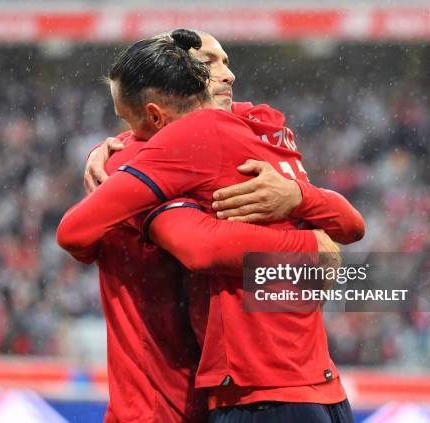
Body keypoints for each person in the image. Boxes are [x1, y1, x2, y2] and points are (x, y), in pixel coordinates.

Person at [58, 30, 361, 422]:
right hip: (176, 404)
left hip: (247, 395)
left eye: (226, 61)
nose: (226, 75)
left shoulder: (246, 135)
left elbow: (351, 223)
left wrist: (302, 200)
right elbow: (200, 246)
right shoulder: (162, 155)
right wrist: (310, 247)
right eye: (207, 64)